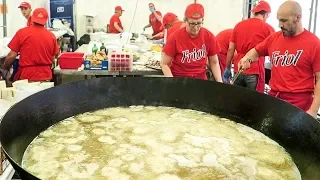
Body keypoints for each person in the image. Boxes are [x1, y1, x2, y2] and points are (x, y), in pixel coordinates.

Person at [238, 1, 320, 119]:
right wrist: (247, 58)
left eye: (284, 20)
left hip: (299, 106)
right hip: (275, 100)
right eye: (279, 20)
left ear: (298, 18)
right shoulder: (274, 38)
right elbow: (256, 51)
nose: (280, 25)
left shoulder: (314, 44)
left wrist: (313, 110)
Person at [161, 3, 222, 82]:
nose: (196, 27)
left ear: (202, 20)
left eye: (199, 23)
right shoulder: (175, 37)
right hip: (180, 80)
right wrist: (172, 82)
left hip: (200, 81)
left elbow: (214, 63)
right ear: (185, 21)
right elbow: (164, 64)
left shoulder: (208, 36)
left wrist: (219, 82)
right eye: (192, 23)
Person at [223, 1, 274, 93]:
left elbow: (231, 49)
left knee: (237, 99)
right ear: (266, 14)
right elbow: (274, 51)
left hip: (238, 69)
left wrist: (227, 67)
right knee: (253, 102)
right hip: (255, 70)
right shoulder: (268, 28)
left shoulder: (239, 25)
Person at [1, 8, 59, 82]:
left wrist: (4, 67)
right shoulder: (51, 36)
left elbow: (11, 56)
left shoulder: (21, 33)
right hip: (45, 75)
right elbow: (52, 58)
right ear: (45, 20)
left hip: (27, 75)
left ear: (33, 17)